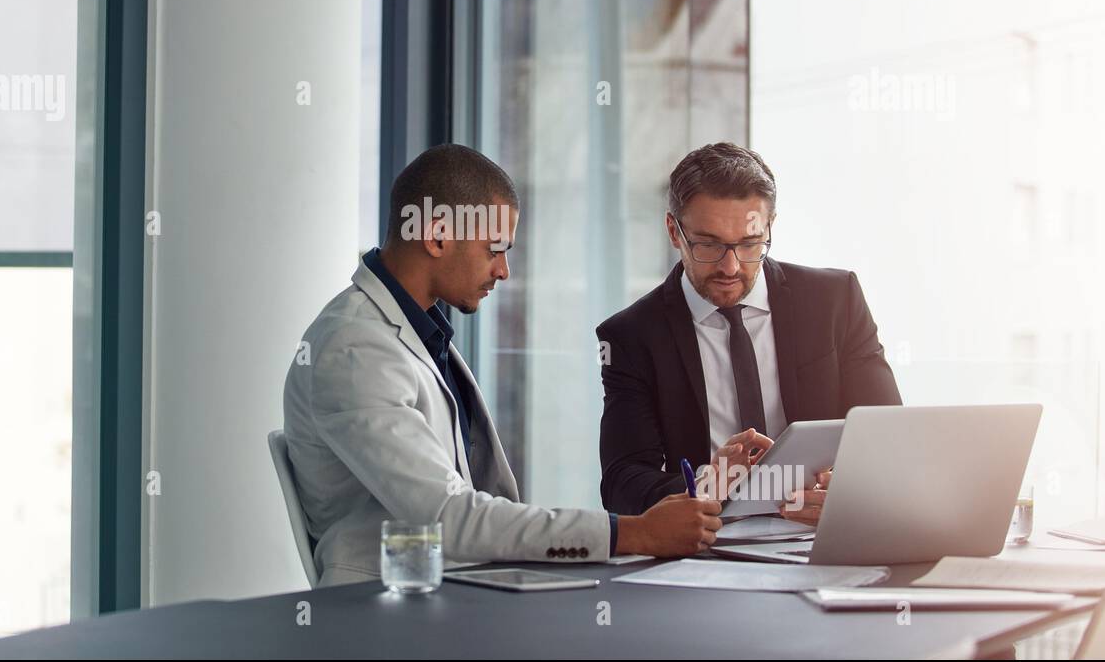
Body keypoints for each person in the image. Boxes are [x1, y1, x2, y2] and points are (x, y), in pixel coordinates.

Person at [284, 143, 721, 586]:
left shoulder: (418, 332)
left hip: (455, 587)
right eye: (495, 249)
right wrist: (633, 532)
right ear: (437, 236)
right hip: (388, 609)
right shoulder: (354, 347)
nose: (504, 270)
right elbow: (449, 517)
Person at [597, 142, 901, 525]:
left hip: (820, 536)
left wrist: (847, 488)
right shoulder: (632, 336)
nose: (730, 266)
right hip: (708, 544)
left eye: (748, 243)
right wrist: (708, 482)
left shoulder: (835, 301)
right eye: (708, 244)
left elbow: (889, 440)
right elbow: (622, 484)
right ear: (674, 231)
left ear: (769, 226)